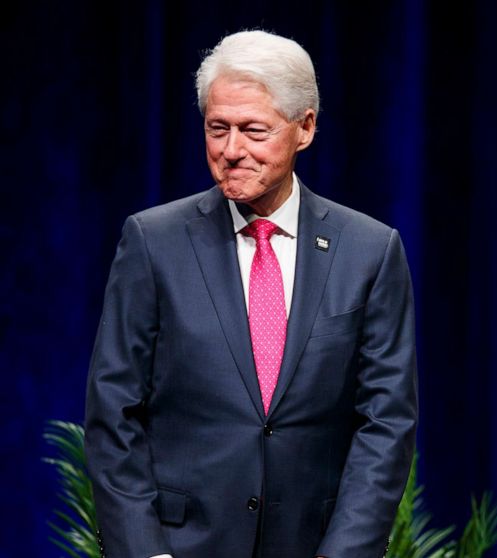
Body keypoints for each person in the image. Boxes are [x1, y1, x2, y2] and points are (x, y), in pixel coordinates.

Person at [84, 30, 418, 558]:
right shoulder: (153, 242)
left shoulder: (370, 251)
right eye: (218, 129)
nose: (231, 151)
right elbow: (113, 412)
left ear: (304, 127)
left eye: (253, 130)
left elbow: (386, 422)